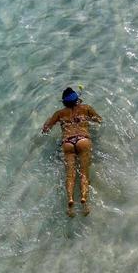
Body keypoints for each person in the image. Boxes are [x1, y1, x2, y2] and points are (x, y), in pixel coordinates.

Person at [41, 87, 102, 216]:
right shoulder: (86, 108)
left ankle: (70, 201)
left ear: (63, 102)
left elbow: (46, 129)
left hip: (67, 142)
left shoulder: (59, 113)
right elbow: (99, 120)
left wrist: (48, 120)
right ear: (77, 100)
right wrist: (88, 119)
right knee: (84, 174)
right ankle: (84, 202)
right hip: (83, 140)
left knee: (70, 174)